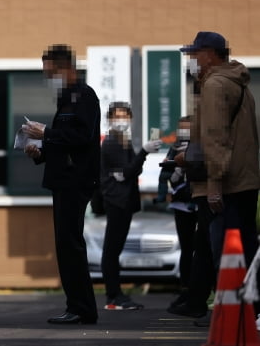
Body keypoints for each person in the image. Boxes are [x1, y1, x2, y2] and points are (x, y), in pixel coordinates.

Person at [170, 31, 260, 327]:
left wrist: (214, 186)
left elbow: (215, 140)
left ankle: (230, 314)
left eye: (195, 54)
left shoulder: (215, 85)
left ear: (210, 53)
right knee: (242, 249)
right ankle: (246, 310)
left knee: (226, 253)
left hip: (226, 183)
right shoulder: (240, 83)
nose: (192, 60)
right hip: (245, 180)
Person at [23, 44, 100, 324]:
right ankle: (77, 307)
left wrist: (47, 132)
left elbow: (81, 137)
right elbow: (66, 143)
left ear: (65, 69)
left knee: (70, 244)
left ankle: (82, 309)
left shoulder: (84, 96)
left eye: (49, 72)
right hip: (64, 179)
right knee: (66, 245)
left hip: (75, 181)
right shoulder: (67, 99)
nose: (47, 78)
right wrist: (40, 151)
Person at [99, 102, 161, 310]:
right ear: (109, 119)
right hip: (117, 201)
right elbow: (128, 171)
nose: (121, 120)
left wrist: (138, 158)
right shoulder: (111, 143)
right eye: (117, 116)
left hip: (123, 200)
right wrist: (143, 151)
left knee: (113, 249)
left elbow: (131, 171)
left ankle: (115, 295)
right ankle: (114, 296)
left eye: (125, 116)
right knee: (111, 250)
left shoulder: (123, 141)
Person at [158, 116, 198, 309]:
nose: (185, 133)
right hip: (181, 205)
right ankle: (185, 290)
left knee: (202, 250)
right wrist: (173, 167)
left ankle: (202, 291)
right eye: (182, 129)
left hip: (199, 201)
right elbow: (167, 174)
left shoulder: (199, 146)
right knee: (187, 248)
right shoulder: (175, 147)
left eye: (188, 129)